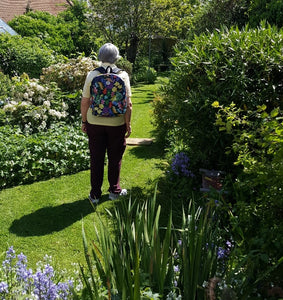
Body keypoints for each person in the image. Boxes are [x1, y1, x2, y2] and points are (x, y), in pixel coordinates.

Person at [81, 43, 132, 204]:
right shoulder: (123, 75)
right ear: (116, 58)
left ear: (100, 56)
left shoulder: (92, 75)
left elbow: (85, 101)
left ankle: (95, 195)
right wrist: (127, 124)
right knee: (115, 157)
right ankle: (114, 191)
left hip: (94, 122)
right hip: (116, 123)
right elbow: (128, 104)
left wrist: (84, 121)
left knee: (96, 158)